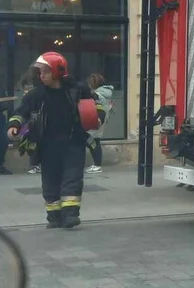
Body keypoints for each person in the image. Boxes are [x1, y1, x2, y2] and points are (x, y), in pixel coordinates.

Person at [5, 52, 104, 229]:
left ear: (58, 71)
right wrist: (14, 126)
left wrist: (97, 118)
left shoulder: (78, 90)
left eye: (45, 71)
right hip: (47, 145)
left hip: (73, 143)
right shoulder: (36, 95)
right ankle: (54, 216)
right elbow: (21, 112)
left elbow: (96, 105)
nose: (41, 75)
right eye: (40, 72)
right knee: (50, 181)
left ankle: (70, 215)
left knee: (72, 178)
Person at [84, 74, 114, 174]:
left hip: (96, 120)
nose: (88, 85)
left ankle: (97, 165)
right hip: (101, 120)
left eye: (89, 83)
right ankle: (97, 164)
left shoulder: (97, 94)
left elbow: (97, 108)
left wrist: (98, 119)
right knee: (94, 142)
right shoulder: (106, 93)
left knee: (92, 142)